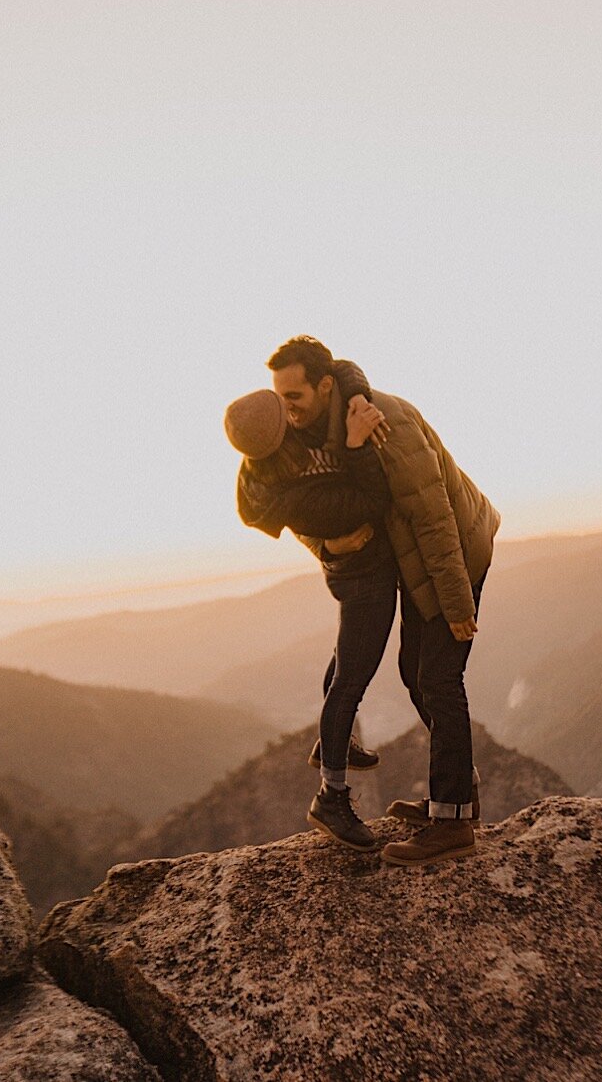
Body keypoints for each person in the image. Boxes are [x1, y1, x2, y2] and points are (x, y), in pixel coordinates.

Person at [267, 335, 500, 866]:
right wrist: (327, 545)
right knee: (416, 673)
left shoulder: (383, 425)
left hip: (455, 553)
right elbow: (310, 509)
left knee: (439, 679)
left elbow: (434, 516)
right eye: (279, 398)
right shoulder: (317, 436)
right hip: (415, 563)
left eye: (294, 396)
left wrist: (458, 604)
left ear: (325, 386)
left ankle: (453, 824)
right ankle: (456, 796)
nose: (287, 409)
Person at [225, 360, 395, 854]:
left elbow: (340, 369)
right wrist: (359, 444)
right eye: (285, 410)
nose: (293, 412)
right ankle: (331, 796)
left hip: (359, 567)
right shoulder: (300, 495)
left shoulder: (284, 449)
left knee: (346, 658)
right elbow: (373, 499)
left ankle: (333, 745)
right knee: (353, 676)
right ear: (276, 434)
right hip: (362, 576)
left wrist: (358, 398)